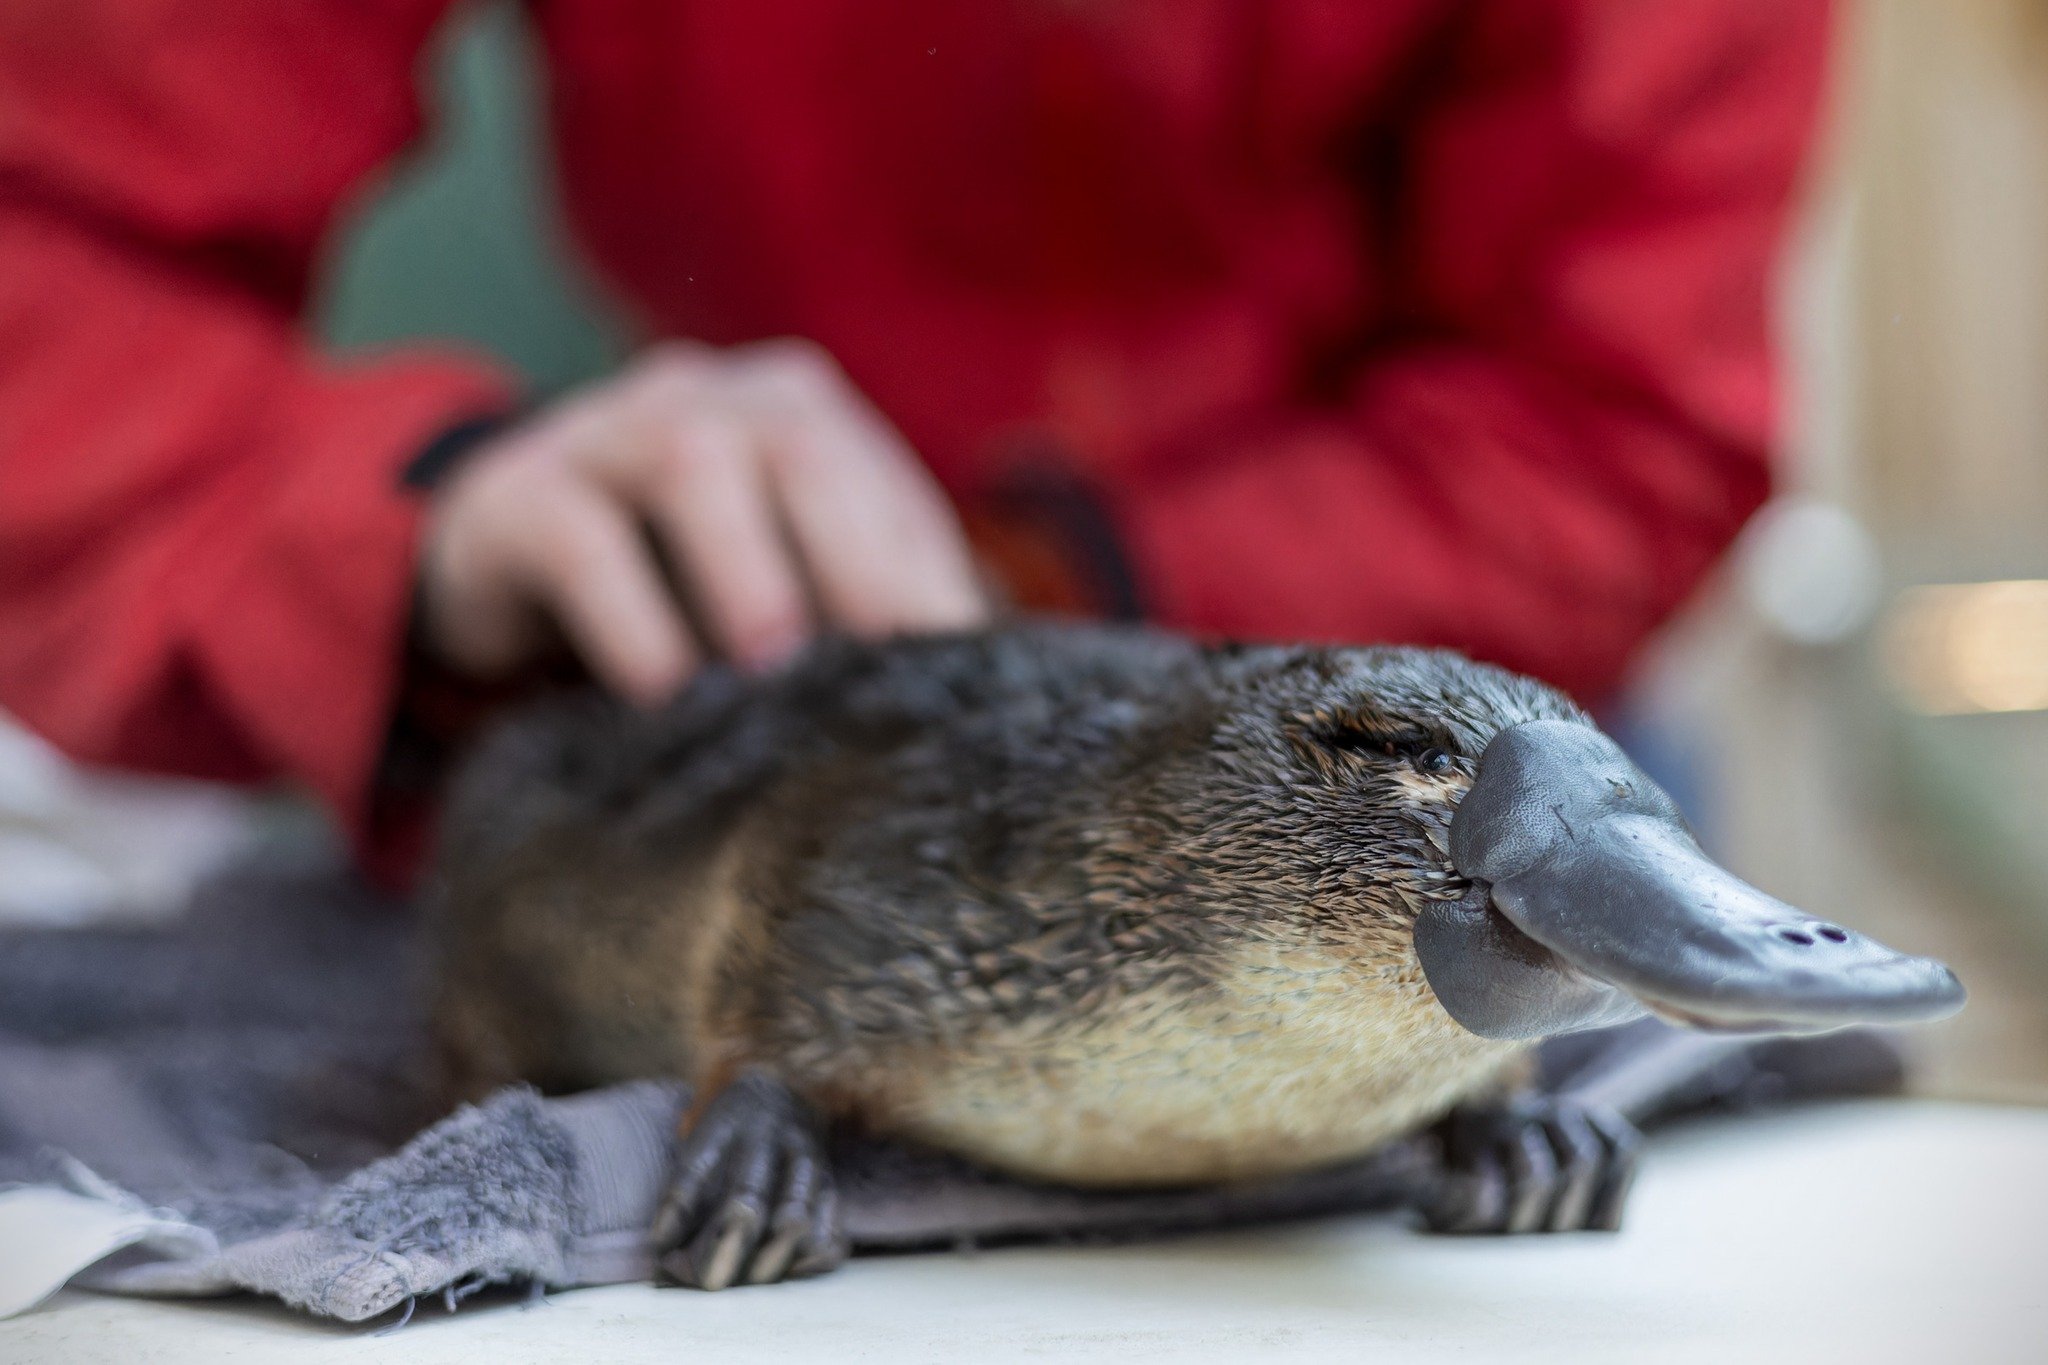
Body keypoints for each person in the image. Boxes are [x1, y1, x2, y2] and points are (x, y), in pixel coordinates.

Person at [0, 1, 1830, 882]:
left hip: (1428, 734)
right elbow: (49, 243)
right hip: (712, 691)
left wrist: (1026, 587)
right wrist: (411, 537)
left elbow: (1611, 412)